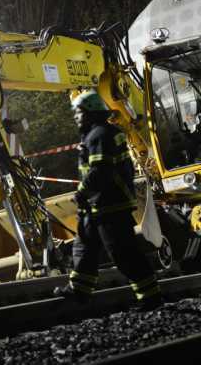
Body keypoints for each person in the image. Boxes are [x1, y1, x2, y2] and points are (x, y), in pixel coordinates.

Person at [53, 90, 163, 312]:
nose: (76, 117)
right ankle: (79, 291)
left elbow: (100, 170)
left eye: (78, 112)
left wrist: (81, 192)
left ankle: (150, 297)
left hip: (111, 205)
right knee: (84, 248)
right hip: (98, 205)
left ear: (91, 112)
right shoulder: (98, 134)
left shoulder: (100, 135)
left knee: (123, 253)